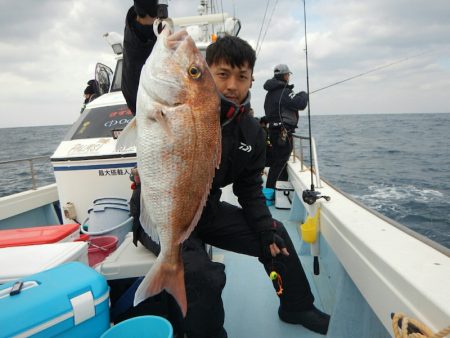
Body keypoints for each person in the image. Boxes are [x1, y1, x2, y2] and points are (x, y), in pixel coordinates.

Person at [122, 3, 330, 337]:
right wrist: (141, 23)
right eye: (222, 74)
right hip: (161, 212)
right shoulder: (171, 103)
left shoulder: (250, 131)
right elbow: (138, 77)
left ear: (251, 80)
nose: (233, 84)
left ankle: (297, 305)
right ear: (207, 72)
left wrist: (264, 232)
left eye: (242, 76)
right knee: (202, 275)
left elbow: (249, 188)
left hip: (204, 211)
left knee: (277, 235)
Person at [263, 64, 308, 189]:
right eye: (288, 75)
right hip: (283, 133)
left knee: (277, 161)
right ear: (285, 75)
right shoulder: (284, 91)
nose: (289, 77)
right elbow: (301, 103)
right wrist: (304, 94)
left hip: (273, 131)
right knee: (279, 162)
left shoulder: (270, 94)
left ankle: (277, 188)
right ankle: (270, 191)